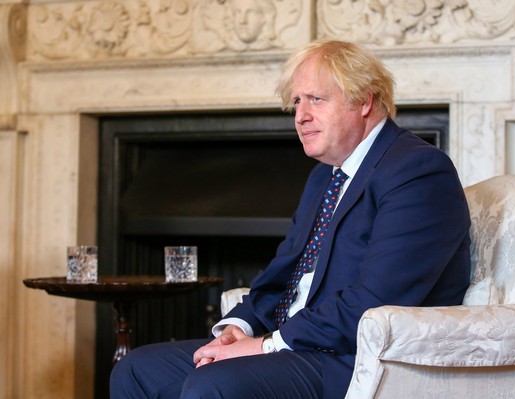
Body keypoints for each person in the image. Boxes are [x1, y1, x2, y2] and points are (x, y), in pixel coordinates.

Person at [110, 39, 471, 399]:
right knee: (137, 370)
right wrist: (239, 326)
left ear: (365, 100)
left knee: (213, 384)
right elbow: (283, 274)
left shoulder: (416, 170)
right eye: (297, 101)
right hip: (293, 344)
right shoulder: (325, 176)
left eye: (316, 99)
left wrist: (266, 344)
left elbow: (375, 302)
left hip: (352, 360)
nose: (300, 115)